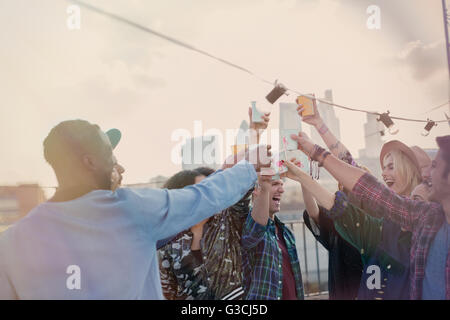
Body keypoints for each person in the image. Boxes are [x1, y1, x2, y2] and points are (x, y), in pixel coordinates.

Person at [0, 119, 271, 299]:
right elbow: (203, 197)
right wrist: (249, 164)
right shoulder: (132, 210)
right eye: (110, 154)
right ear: (90, 162)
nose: (119, 165)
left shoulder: (12, 242)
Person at [292, 132, 450, 300]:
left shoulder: (419, 226)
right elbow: (345, 206)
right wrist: (304, 174)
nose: (427, 175)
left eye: (434, 166)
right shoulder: (425, 219)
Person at [241, 175, 304, 300]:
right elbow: (255, 228)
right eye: (275, 184)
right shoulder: (248, 227)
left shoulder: (286, 233)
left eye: (282, 184)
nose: (281, 190)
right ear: (256, 189)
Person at [158, 170, 213, 300]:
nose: (209, 196)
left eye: (209, 190)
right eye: (200, 191)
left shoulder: (226, 229)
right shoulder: (166, 245)